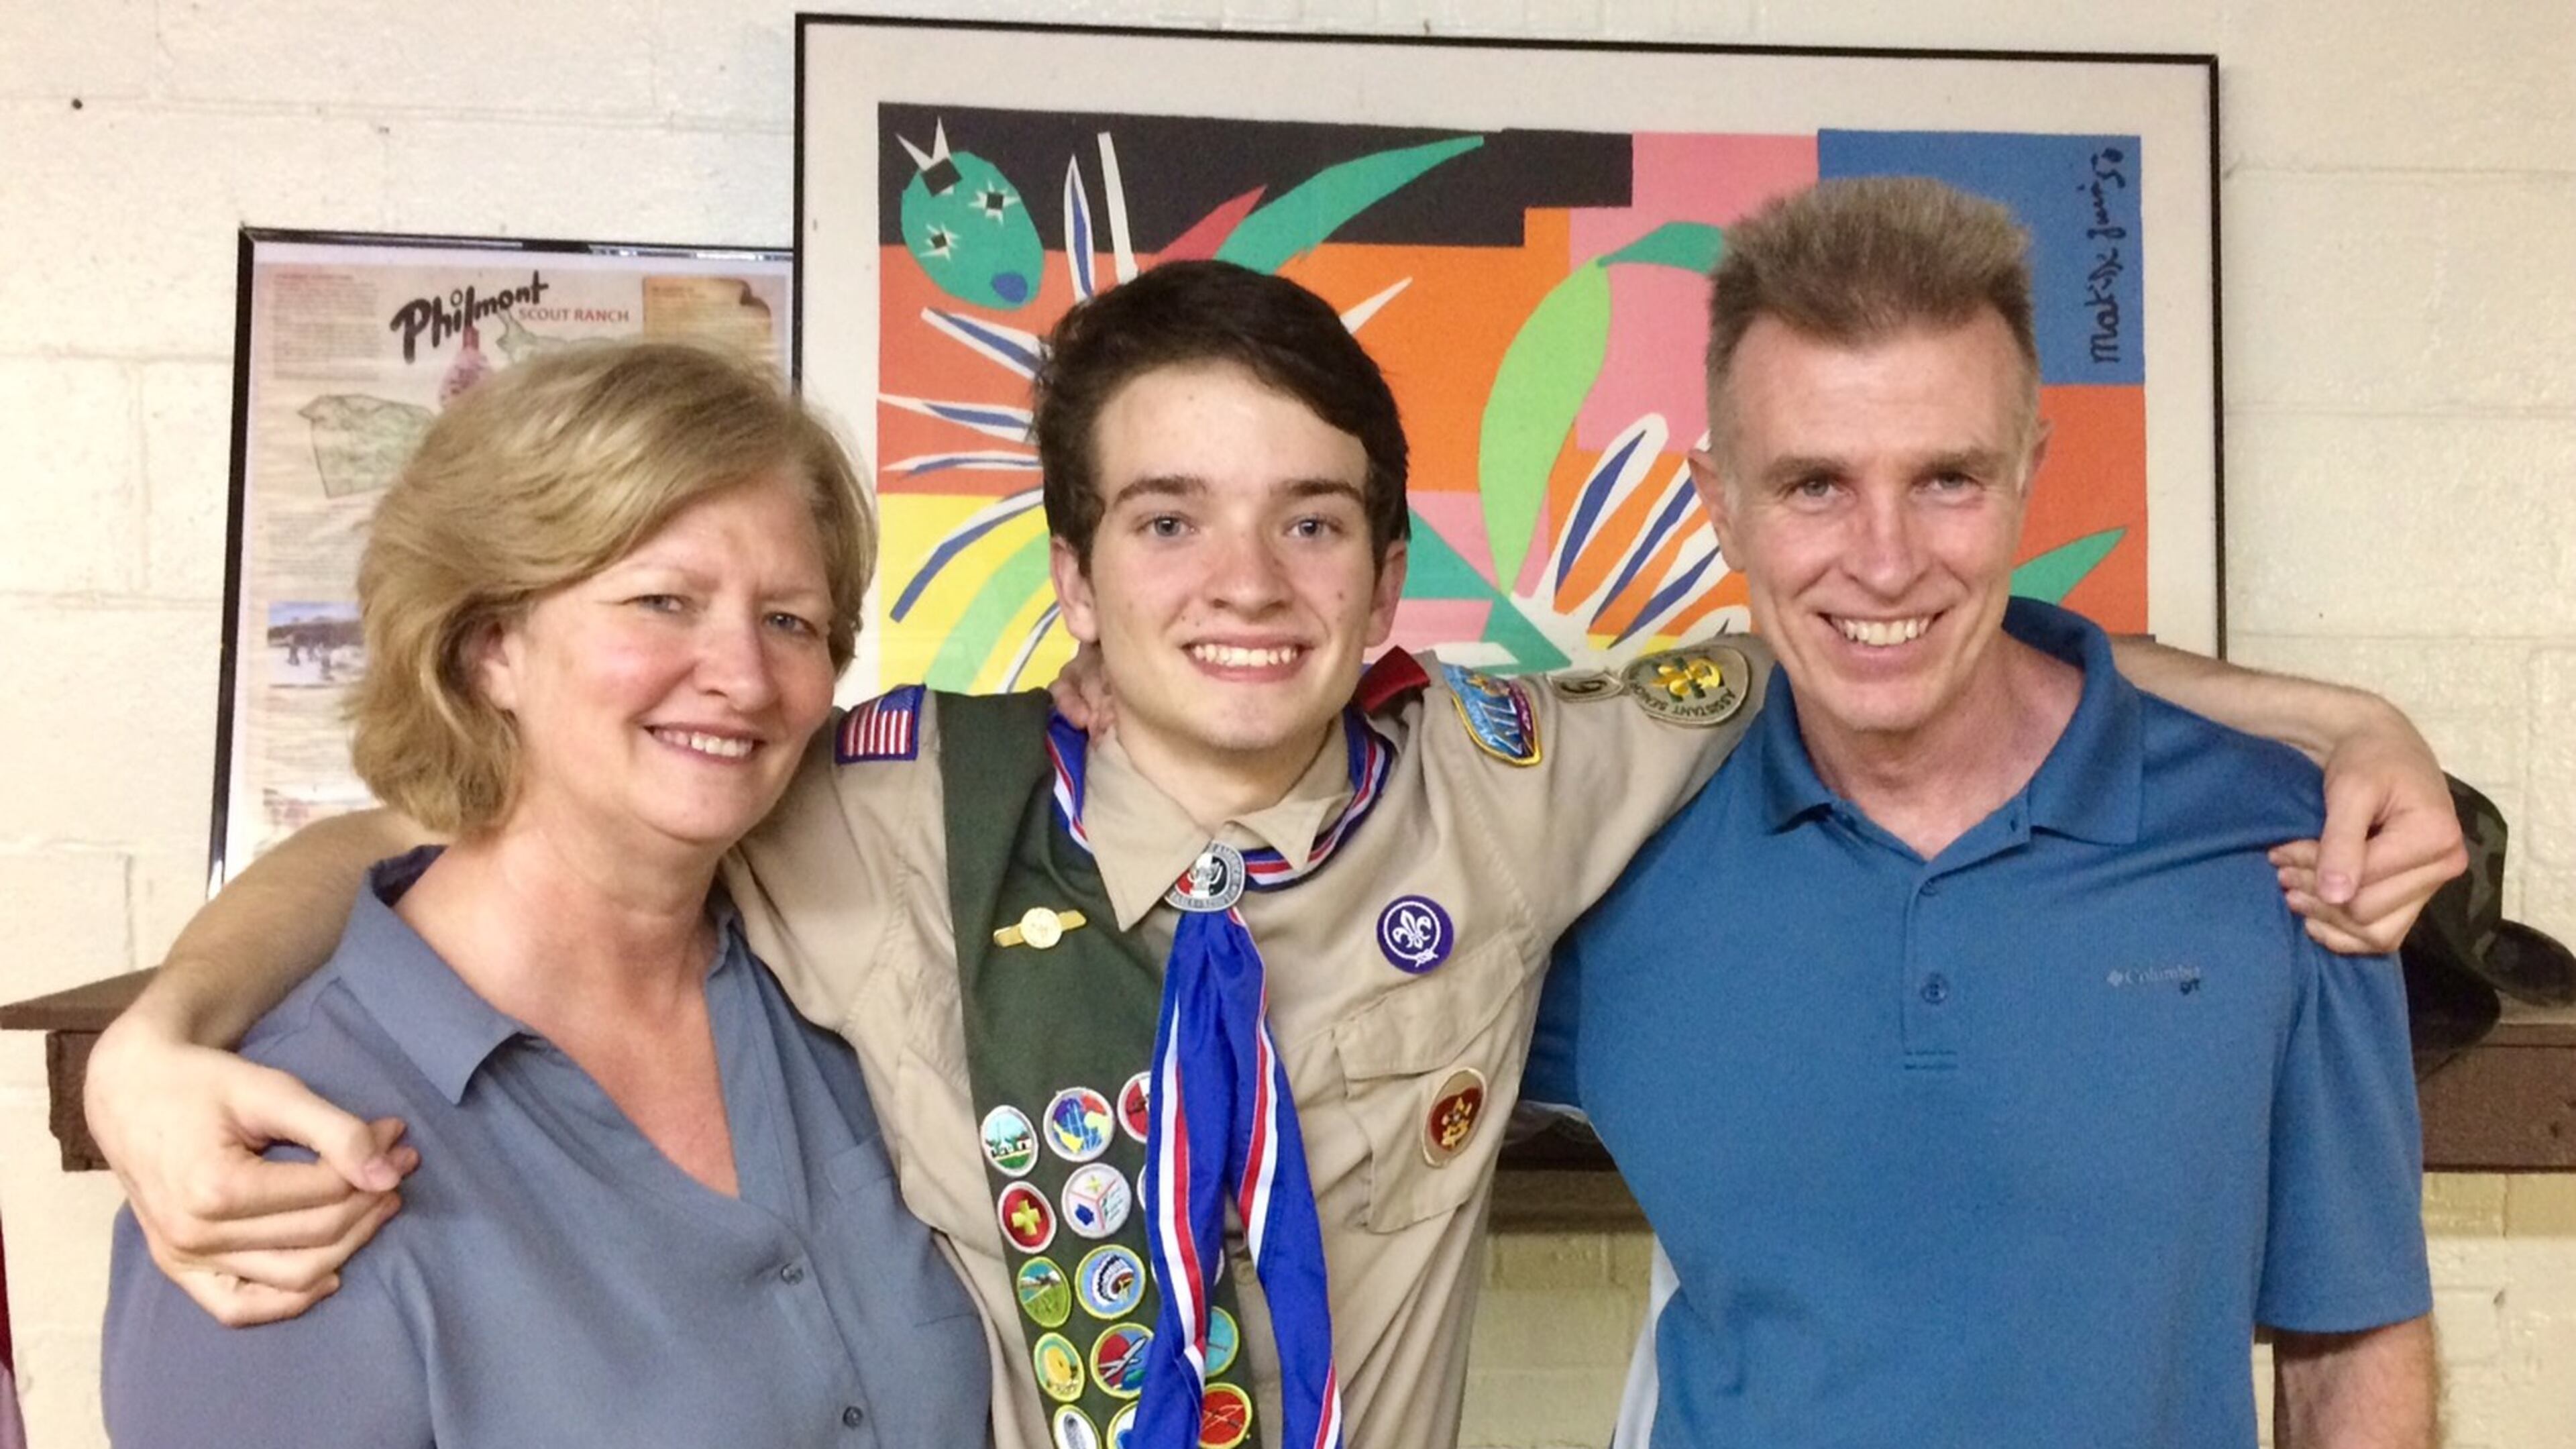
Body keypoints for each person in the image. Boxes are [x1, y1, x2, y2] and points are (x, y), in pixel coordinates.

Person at [87, 264, 2457, 1449]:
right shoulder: (878, 794)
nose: (1248, 582)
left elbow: (1909, 624)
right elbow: (469, 823)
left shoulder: (1520, 766)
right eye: (1171, 518)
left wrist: (2340, 716)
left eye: (1313, 518)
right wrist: (166, 1042)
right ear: (1075, 565)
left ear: (1388, 556)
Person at [1527, 177, 2435, 1448]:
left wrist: (2345, 722)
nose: (1886, 559)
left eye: (1947, 479)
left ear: (2028, 473)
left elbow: (2350, 1352)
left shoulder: (2275, 842)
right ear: (1719, 498)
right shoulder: (1605, 853)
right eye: (1814, 487)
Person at [99, 342, 989, 1446]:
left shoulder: (840, 986)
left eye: (790, 622)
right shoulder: (275, 1164)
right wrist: (151, 1036)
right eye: (663, 600)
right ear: (490, 650)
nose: (746, 677)